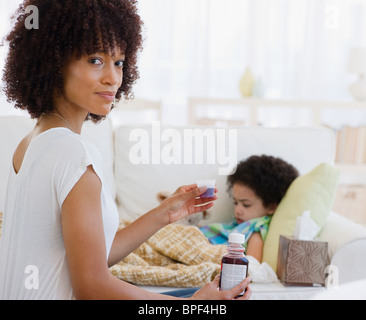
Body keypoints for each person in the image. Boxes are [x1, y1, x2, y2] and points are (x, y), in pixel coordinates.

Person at [0, 0, 251, 300]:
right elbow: (92, 287)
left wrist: (165, 213)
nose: (113, 78)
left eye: (118, 62)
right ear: (53, 63)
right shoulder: (73, 154)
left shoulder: (30, 144)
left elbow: (93, 258)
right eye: (95, 60)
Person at [200, 155, 299, 263]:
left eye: (246, 205)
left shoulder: (256, 231)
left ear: (271, 207)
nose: (237, 210)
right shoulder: (241, 224)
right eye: (235, 202)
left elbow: (252, 266)